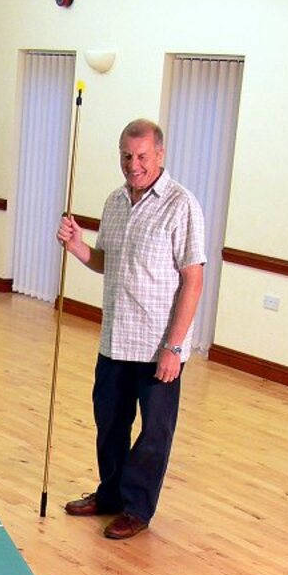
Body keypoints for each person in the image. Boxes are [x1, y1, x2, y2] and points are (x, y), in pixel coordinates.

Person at [56, 119, 205, 539]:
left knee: (154, 433)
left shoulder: (182, 205)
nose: (133, 164)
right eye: (126, 155)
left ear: (159, 155)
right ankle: (110, 495)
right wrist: (78, 247)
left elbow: (193, 279)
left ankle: (136, 507)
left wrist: (174, 347)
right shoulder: (115, 202)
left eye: (141, 156)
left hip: (159, 346)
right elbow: (108, 262)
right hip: (115, 339)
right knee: (110, 424)